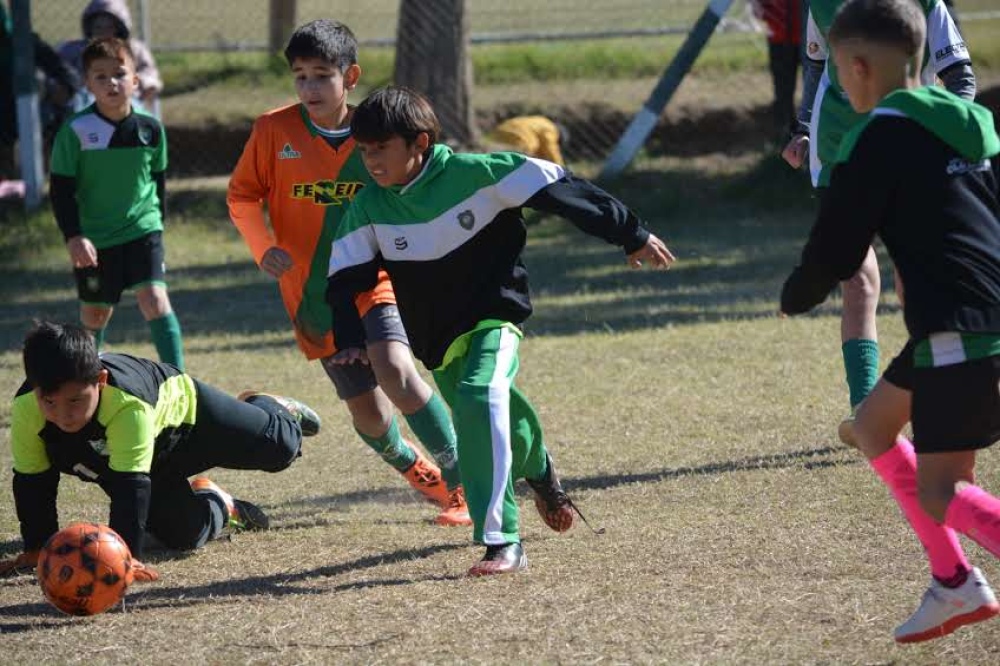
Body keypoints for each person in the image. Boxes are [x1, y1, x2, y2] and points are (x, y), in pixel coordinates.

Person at [325, 86, 675, 576]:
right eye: (363, 151)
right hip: (438, 341)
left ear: (419, 143)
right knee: (491, 410)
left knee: (477, 396)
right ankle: (541, 469)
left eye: (380, 149)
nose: (370, 161)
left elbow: (565, 190)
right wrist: (348, 339)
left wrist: (631, 234)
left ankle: (501, 540)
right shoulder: (369, 208)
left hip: (495, 318)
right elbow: (344, 278)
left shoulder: (482, 175)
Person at [780, 0, 1000, 642]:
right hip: (967, 321)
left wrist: (798, 293)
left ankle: (958, 580)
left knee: (941, 491)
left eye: (841, 79)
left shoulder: (873, 137)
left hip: (958, 329)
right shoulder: (973, 122)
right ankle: (954, 582)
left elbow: (838, 247)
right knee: (875, 429)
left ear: (854, 68)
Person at [227, 20, 470, 527]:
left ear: (350, 76)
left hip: (375, 281)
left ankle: (463, 482)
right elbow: (242, 195)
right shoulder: (273, 130)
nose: (310, 87)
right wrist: (262, 246)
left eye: (322, 75)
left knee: (399, 374)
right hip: (312, 297)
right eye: (300, 77)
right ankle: (415, 468)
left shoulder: (374, 132)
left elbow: (415, 190)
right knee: (371, 415)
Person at [0, 321, 322, 581]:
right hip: (140, 458)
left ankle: (270, 407)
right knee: (183, 536)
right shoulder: (28, 407)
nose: (62, 414)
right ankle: (223, 505)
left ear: (100, 380)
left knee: (282, 449)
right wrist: (37, 548)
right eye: (49, 402)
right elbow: (33, 482)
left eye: (75, 400)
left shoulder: (128, 404)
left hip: (187, 424)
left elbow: (129, 487)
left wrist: (125, 558)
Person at [781, 0, 974, 414]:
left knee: (916, 279)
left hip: (909, 149)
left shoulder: (923, 4)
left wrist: (949, 128)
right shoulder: (822, 5)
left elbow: (960, 75)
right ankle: (864, 408)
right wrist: (801, 128)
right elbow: (815, 67)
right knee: (858, 278)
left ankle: (933, 391)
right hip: (838, 150)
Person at [50, 37, 184, 370]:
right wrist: (74, 236)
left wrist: (159, 226)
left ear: (135, 81)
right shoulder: (75, 131)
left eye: (119, 73)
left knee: (155, 300)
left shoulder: (150, 128)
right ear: (87, 84)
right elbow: (61, 190)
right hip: (95, 238)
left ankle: (181, 383)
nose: (112, 82)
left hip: (143, 228)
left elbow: (158, 181)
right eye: (100, 76)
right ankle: (85, 380)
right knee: (95, 313)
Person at [0, 1, 78, 179]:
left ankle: (51, 170)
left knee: (58, 114)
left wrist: (65, 87)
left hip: (31, 112)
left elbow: (64, 71)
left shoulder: (23, 40)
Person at [56, 0, 162, 114]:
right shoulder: (74, 50)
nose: (103, 32)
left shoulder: (134, 49)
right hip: (86, 99)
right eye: (98, 27)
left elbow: (149, 74)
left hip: (126, 97)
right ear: (89, 28)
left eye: (109, 27)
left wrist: (144, 83)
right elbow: (58, 72)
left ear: (119, 28)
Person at [748, 0, 802, 138]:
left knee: (817, 87)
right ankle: (788, 136)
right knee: (783, 90)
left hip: (811, 35)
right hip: (779, 34)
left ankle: (816, 137)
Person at [482, 115, 568, 166]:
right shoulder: (551, 129)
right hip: (520, 138)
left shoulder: (540, 120)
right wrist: (560, 167)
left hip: (499, 133)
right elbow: (550, 148)